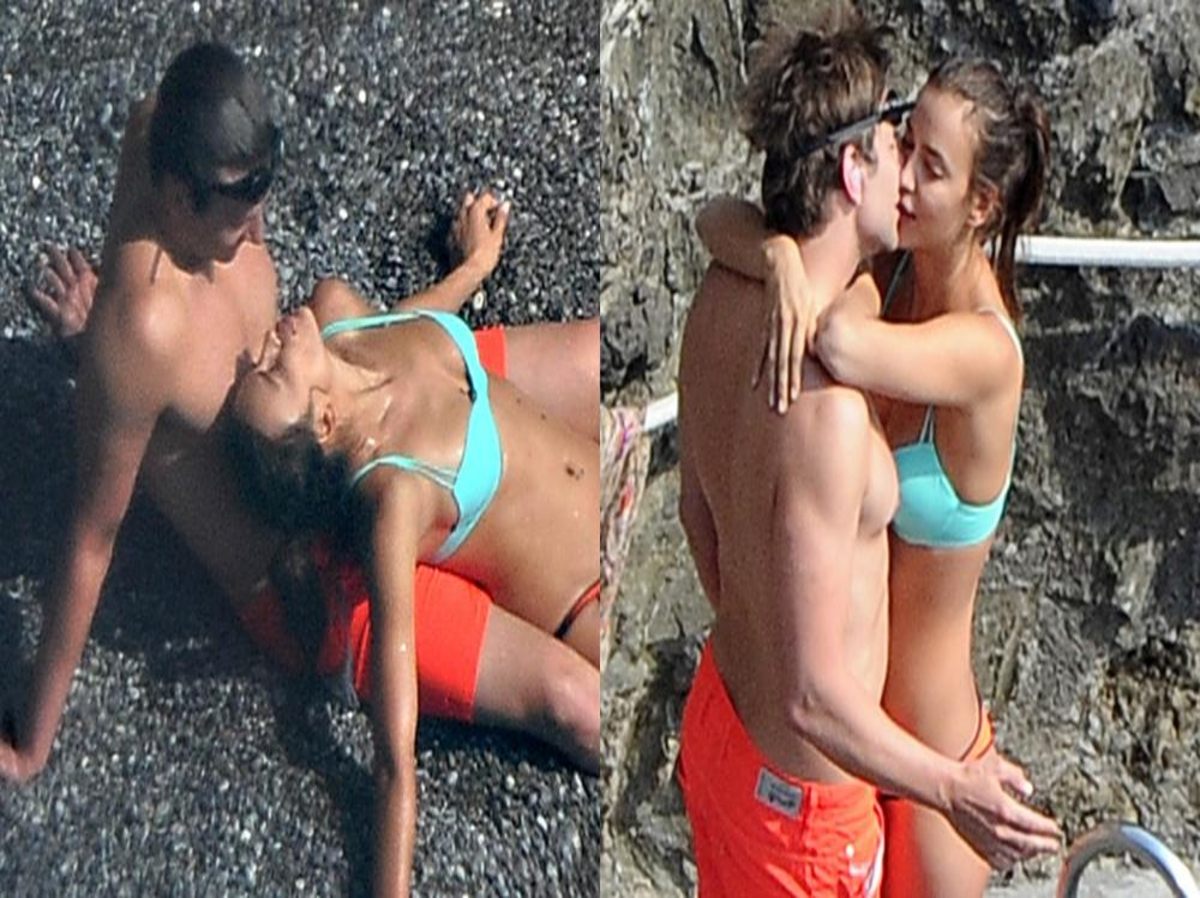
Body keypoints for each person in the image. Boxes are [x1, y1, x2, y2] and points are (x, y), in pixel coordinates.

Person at [2, 40, 599, 798]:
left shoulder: (160, 130)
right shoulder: (146, 329)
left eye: (262, 198)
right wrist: (33, 741)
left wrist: (467, 275)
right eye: (236, 214)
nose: (257, 230)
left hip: (336, 391)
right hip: (311, 561)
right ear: (182, 197)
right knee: (578, 706)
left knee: (593, 358)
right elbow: (93, 537)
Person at [676, 24, 1060, 897]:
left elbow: (837, 340)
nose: (909, 173)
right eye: (902, 143)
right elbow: (719, 222)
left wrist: (788, 263)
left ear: (981, 206)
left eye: (930, 161)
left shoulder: (977, 350)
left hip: (925, 748)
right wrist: (779, 255)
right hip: (836, 743)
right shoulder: (879, 278)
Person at [225, 267, 599, 896]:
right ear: (322, 422)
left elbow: (416, 321)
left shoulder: (339, 312)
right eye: (270, 369)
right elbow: (395, 754)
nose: (262, 344)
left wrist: (475, 265)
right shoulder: (394, 498)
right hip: (583, 592)